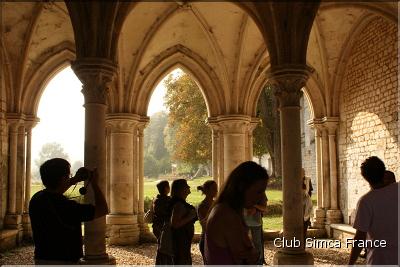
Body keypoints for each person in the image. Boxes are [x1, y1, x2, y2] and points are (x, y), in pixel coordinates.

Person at [29, 158, 108, 264]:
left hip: (42, 258)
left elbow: (56, 190)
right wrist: (95, 184)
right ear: (63, 178)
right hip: (64, 260)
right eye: (68, 176)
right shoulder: (68, 207)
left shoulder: (37, 199)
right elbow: (102, 209)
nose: (70, 178)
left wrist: (75, 179)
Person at [204, 161, 269, 265]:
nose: (261, 197)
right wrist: (254, 254)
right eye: (259, 191)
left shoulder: (223, 209)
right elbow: (247, 260)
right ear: (242, 186)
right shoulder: (227, 216)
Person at [348, 156, 398, 265]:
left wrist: (350, 264)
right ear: (384, 171)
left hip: (379, 259)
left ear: (365, 178)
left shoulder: (366, 201)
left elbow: (360, 237)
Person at [157, 179, 198, 265]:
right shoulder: (178, 204)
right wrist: (190, 216)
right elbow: (175, 224)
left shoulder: (176, 202)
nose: (189, 187)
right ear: (181, 189)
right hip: (178, 244)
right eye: (186, 185)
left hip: (180, 243)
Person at [197, 180, 218, 262]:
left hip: (216, 240)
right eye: (214, 189)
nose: (216, 191)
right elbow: (206, 225)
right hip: (207, 240)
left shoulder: (216, 204)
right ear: (207, 190)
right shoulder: (202, 206)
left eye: (216, 188)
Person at [243, 198, 267, 265]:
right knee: (243, 244)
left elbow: (264, 208)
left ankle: (259, 263)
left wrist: (255, 207)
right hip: (242, 223)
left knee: (257, 244)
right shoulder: (241, 191)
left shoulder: (260, 193)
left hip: (256, 223)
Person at [302, 169, 313, 244]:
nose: (303, 174)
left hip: (306, 204)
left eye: (303, 172)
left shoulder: (308, 180)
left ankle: (303, 244)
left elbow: (310, 191)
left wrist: (307, 199)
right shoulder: (293, 179)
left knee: (305, 224)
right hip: (297, 205)